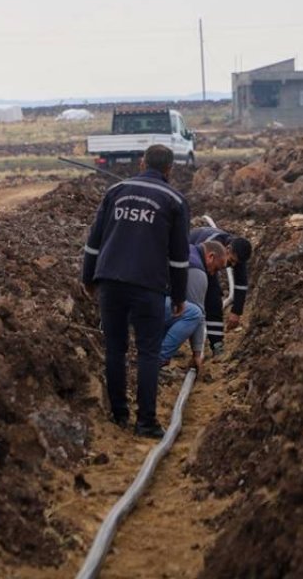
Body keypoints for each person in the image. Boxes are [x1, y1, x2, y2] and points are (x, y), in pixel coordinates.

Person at [82, 144, 191, 439]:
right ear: (169, 168)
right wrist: (180, 296)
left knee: (115, 349)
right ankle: (146, 422)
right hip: (148, 287)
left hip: (110, 282)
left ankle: (119, 414)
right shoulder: (174, 200)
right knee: (147, 352)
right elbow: (180, 257)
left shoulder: (116, 191)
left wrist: (88, 278)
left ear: (142, 163)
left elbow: (94, 241)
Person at [158, 240, 228, 372]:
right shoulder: (197, 271)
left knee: (180, 311)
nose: (213, 274)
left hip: (141, 298)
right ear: (210, 256)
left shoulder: (188, 250)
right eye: (216, 268)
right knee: (193, 313)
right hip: (150, 305)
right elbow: (198, 316)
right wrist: (197, 353)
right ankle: (158, 358)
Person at [188, 226, 254, 357]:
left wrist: (236, 311)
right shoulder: (209, 244)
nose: (232, 266)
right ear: (227, 249)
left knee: (214, 301)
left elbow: (241, 284)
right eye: (231, 261)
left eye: (236, 263)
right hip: (190, 265)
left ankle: (216, 344)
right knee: (197, 304)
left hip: (205, 266)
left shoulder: (237, 252)